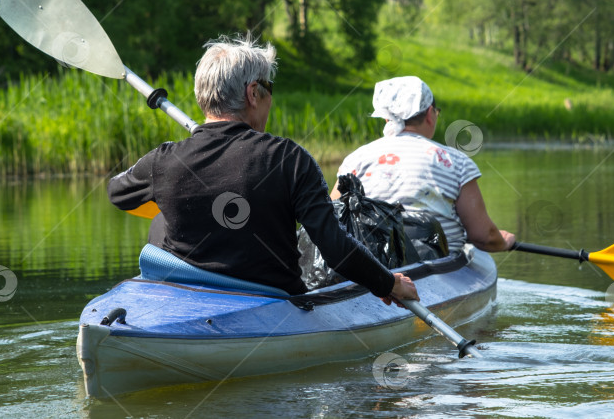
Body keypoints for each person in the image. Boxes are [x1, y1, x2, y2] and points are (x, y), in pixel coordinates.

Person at [107, 34, 419, 306]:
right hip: (270, 298)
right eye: (269, 89)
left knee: (162, 215)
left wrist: (180, 190)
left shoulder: (164, 159)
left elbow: (117, 192)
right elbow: (334, 247)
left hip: (189, 291)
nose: (271, 98)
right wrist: (389, 284)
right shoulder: (290, 159)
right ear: (253, 93)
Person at [331, 76, 515, 253]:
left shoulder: (355, 159)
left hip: (374, 262)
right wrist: (503, 242)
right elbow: (484, 237)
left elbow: (331, 218)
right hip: (438, 265)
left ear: (387, 118)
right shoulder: (456, 162)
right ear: (429, 114)